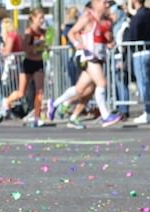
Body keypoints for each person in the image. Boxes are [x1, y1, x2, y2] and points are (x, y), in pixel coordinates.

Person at [48, 0, 123, 128]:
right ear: (96, 3)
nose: (107, 6)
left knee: (81, 89)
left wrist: (110, 41)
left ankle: (55, 104)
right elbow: (72, 32)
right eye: (105, 3)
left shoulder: (104, 20)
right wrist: (78, 43)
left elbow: (105, 38)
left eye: (108, 4)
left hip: (98, 57)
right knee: (101, 83)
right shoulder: (88, 17)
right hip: (87, 56)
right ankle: (105, 116)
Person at [3, 8, 46, 127]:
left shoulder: (43, 32)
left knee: (40, 91)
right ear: (33, 18)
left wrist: (44, 46)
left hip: (39, 62)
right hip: (28, 62)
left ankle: (37, 117)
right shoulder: (29, 31)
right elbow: (25, 48)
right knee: (21, 92)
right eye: (40, 18)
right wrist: (37, 46)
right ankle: (7, 101)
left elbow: (43, 47)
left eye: (43, 18)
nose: (42, 20)